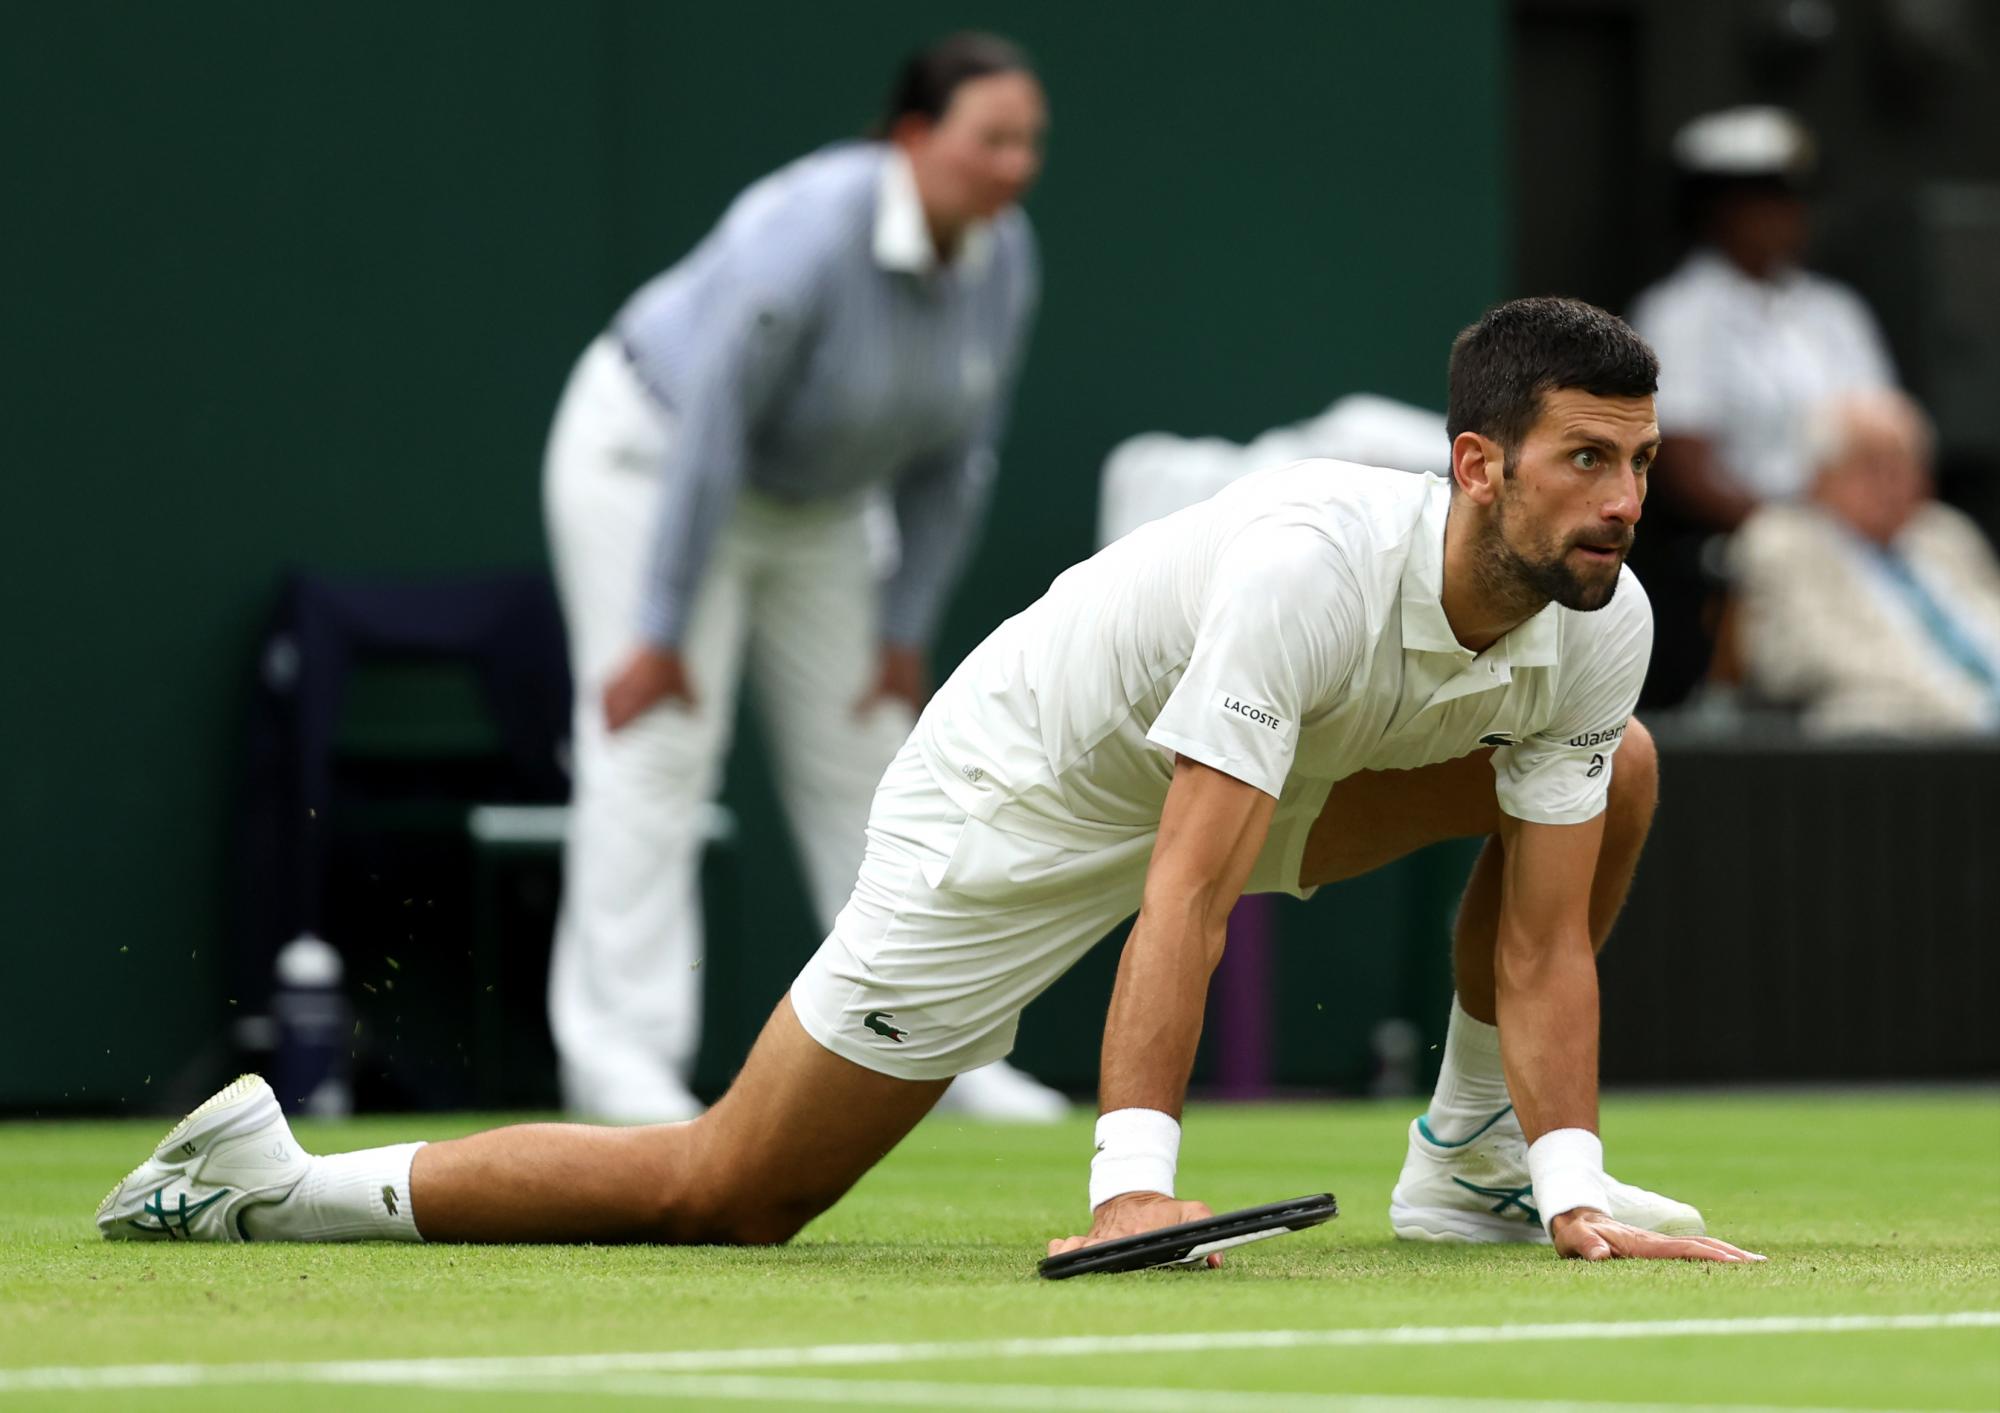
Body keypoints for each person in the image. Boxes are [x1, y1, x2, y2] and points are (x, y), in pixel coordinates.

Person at [100, 298, 1761, 1266]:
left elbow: (1545, 938)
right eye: (1584, 458)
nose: (1623, 499)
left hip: (1288, 775)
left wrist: (1572, 1188)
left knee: (1612, 769)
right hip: (1020, 802)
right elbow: (1187, 891)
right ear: (1477, 464)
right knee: (732, 1191)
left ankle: (1469, 1166)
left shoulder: (1597, 620)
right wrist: (1133, 1184)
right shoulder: (1306, 567)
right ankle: (273, 1186)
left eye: (1636, 459)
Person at [542, 32, 1064, 1123]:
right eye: (991, 140)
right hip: (652, 464)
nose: (1015, 166)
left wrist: (903, 627)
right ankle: (620, 1061)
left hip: (820, 507)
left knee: (879, 760)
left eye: (1030, 142)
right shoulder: (811, 227)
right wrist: (658, 631)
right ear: (913, 136)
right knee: (655, 746)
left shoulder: (1006, 257)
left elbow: (957, 461)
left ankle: (925, 1044)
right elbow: (712, 422)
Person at [1626, 106, 1898, 705]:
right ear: (1718, 208)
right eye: (1766, 198)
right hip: (1757, 539)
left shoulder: (1835, 311)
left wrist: (1874, 512)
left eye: (1794, 198)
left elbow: (1889, 434)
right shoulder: (1678, 314)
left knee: (1945, 543)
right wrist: (1807, 525)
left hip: (1867, 527)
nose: (1787, 214)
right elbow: (1684, 466)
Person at [1730, 389, 2000, 735]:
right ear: (1821, 474)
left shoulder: (1945, 533)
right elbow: (1798, 663)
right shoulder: (1783, 540)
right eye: (1872, 465)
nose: (1893, 482)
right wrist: (1968, 708)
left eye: (1907, 465)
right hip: (1901, 737)